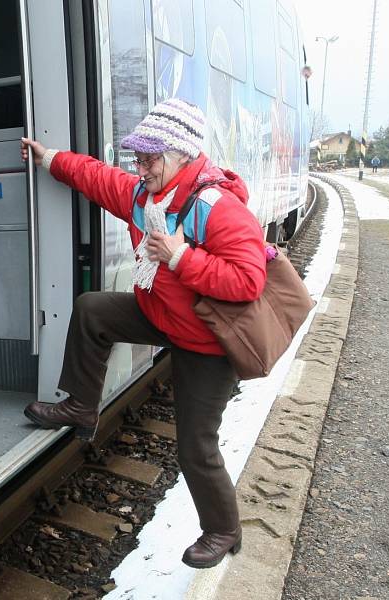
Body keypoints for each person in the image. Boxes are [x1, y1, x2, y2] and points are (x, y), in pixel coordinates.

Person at [20, 98, 267, 569]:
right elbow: (98, 177)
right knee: (94, 309)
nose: (140, 167)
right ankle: (81, 406)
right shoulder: (144, 195)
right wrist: (49, 158)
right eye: (138, 157)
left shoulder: (217, 208)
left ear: (181, 155)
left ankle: (222, 530)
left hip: (205, 344)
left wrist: (181, 258)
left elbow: (248, 281)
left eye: (150, 158)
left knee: (195, 444)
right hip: (162, 313)